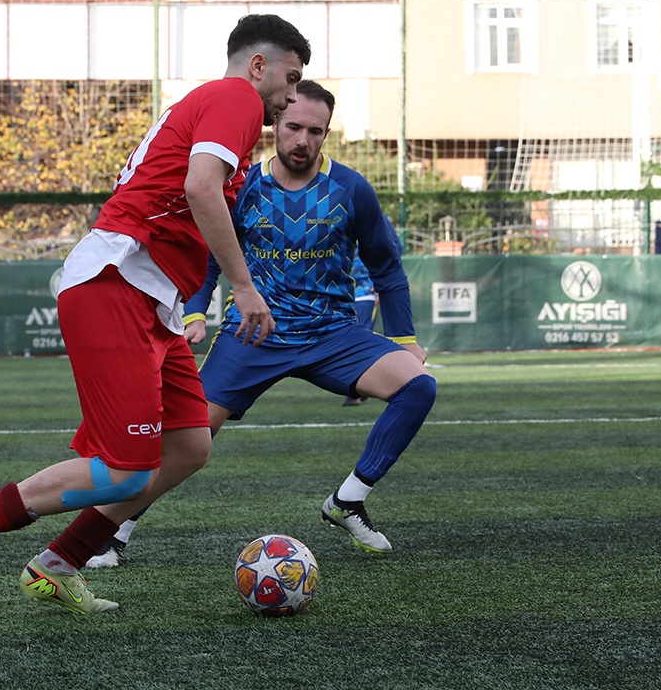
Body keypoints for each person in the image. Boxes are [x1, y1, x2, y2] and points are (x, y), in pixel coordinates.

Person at [0, 14, 311, 614]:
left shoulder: (215, 104)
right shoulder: (234, 96)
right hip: (116, 283)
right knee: (127, 470)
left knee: (189, 446)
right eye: (291, 77)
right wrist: (244, 287)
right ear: (258, 66)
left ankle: (57, 565)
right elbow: (201, 188)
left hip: (149, 297)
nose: (290, 95)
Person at [87, 79, 435, 567]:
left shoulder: (351, 188)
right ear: (275, 124)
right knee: (186, 438)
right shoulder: (243, 184)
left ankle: (348, 500)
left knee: (418, 386)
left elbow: (387, 269)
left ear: (326, 133)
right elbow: (210, 255)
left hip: (333, 333)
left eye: (315, 131)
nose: (302, 140)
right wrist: (194, 311)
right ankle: (113, 531)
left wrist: (404, 339)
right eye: (293, 127)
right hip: (253, 334)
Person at [343, 254, 378, 406]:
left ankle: (357, 389)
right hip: (342, 296)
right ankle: (360, 387)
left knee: (359, 341)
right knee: (354, 341)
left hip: (362, 295)